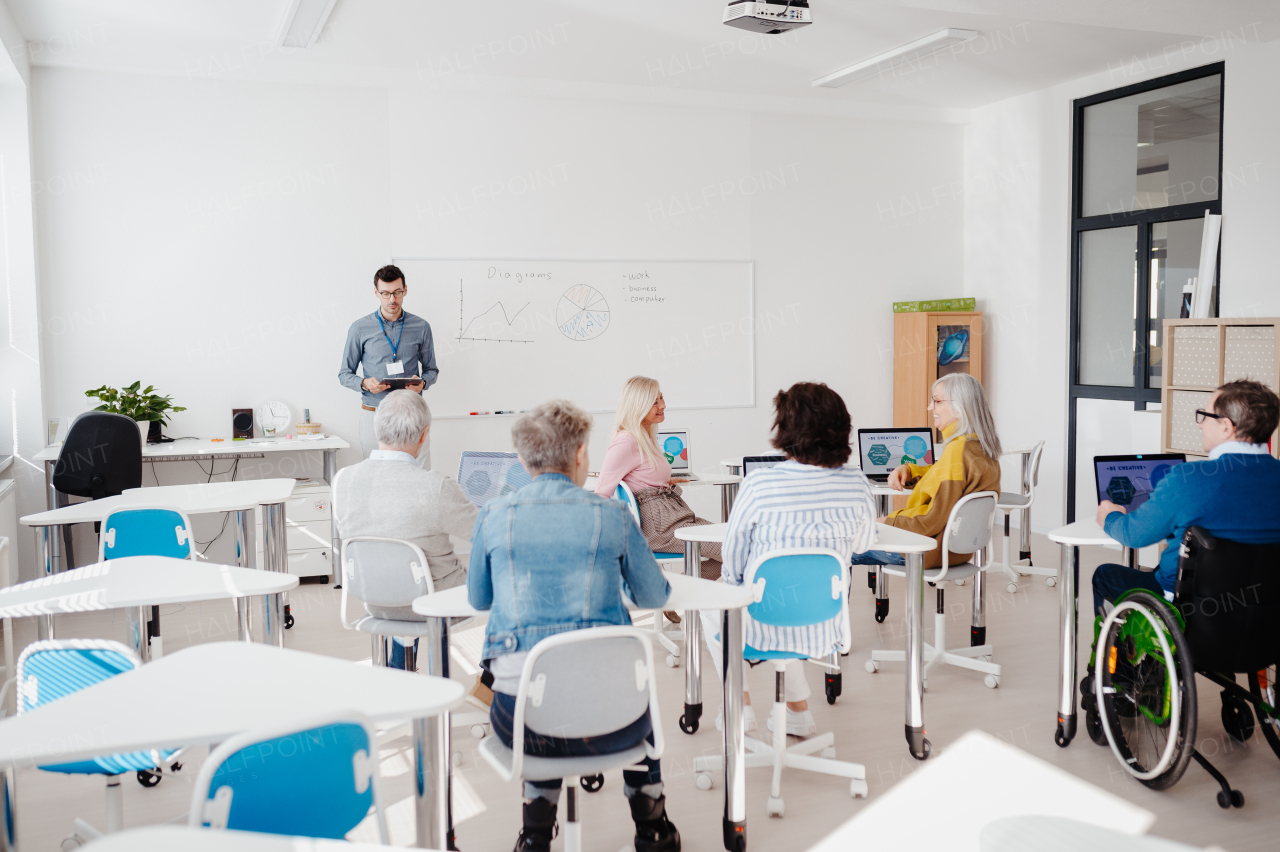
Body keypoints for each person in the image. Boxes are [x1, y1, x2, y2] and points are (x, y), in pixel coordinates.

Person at [468, 400, 681, 852]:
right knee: (638, 706)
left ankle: (536, 831)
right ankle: (653, 827)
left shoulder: (493, 515)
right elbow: (654, 597)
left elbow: (479, 599)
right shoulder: (613, 516)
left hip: (523, 719)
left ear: (524, 461)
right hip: (615, 716)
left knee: (537, 703)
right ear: (581, 453)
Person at [705, 382, 878, 737]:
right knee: (791, 599)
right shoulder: (858, 482)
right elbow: (862, 545)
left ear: (787, 430)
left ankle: (739, 702)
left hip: (761, 620)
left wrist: (741, 585)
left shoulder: (758, 485)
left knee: (716, 603)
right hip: (824, 626)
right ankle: (798, 710)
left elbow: (734, 561)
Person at [1092, 379, 1280, 615]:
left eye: (1204, 415)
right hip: (1267, 613)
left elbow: (1134, 534)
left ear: (1226, 426)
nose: (1200, 425)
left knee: (1105, 575)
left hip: (1188, 607)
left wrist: (1111, 518)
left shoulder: (1187, 479)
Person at [332, 390, 479, 680]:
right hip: (436, 604)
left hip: (376, 601)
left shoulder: (343, 480)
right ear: (423, 436)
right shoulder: (434, 486)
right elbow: (487, 535)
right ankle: (492, 678)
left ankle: (400, 665)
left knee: (405, 575)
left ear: (377, 429)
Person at [852, 372, 1001, 569]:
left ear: (959, 408)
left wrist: (888, 521)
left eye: (937, 401)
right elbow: (944, 475)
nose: (930, 407)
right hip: (957, 550)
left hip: (929, 550)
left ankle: (836, 600)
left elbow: (932, 520)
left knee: (839, 544)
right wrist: (911, 469)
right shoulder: (978, 446)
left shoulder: (957, 451)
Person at [595, 376, 721, 583]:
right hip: (659, 528)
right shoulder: (626, 440)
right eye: (654, 402)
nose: (663, 405)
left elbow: (640, 475)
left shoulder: (645, 436)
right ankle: (678, 594)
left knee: (734, 545)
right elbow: (602, 492)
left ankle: (673, 592)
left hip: (673, 517)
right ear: (638, 405)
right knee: (734, 548)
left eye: (661, 398)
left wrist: (666, 481)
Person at [339, 264, 439, 469]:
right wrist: (365, 383)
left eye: (397, 292)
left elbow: (432, 370)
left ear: (405, 290)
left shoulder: (421, 327)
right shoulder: (359, 328)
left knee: (418, 473)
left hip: (412, 413)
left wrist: (423, 383)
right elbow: (344, 374)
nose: (392, 299)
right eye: (385, 293)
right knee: (376, 473)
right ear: (376, 293)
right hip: (374, 413)